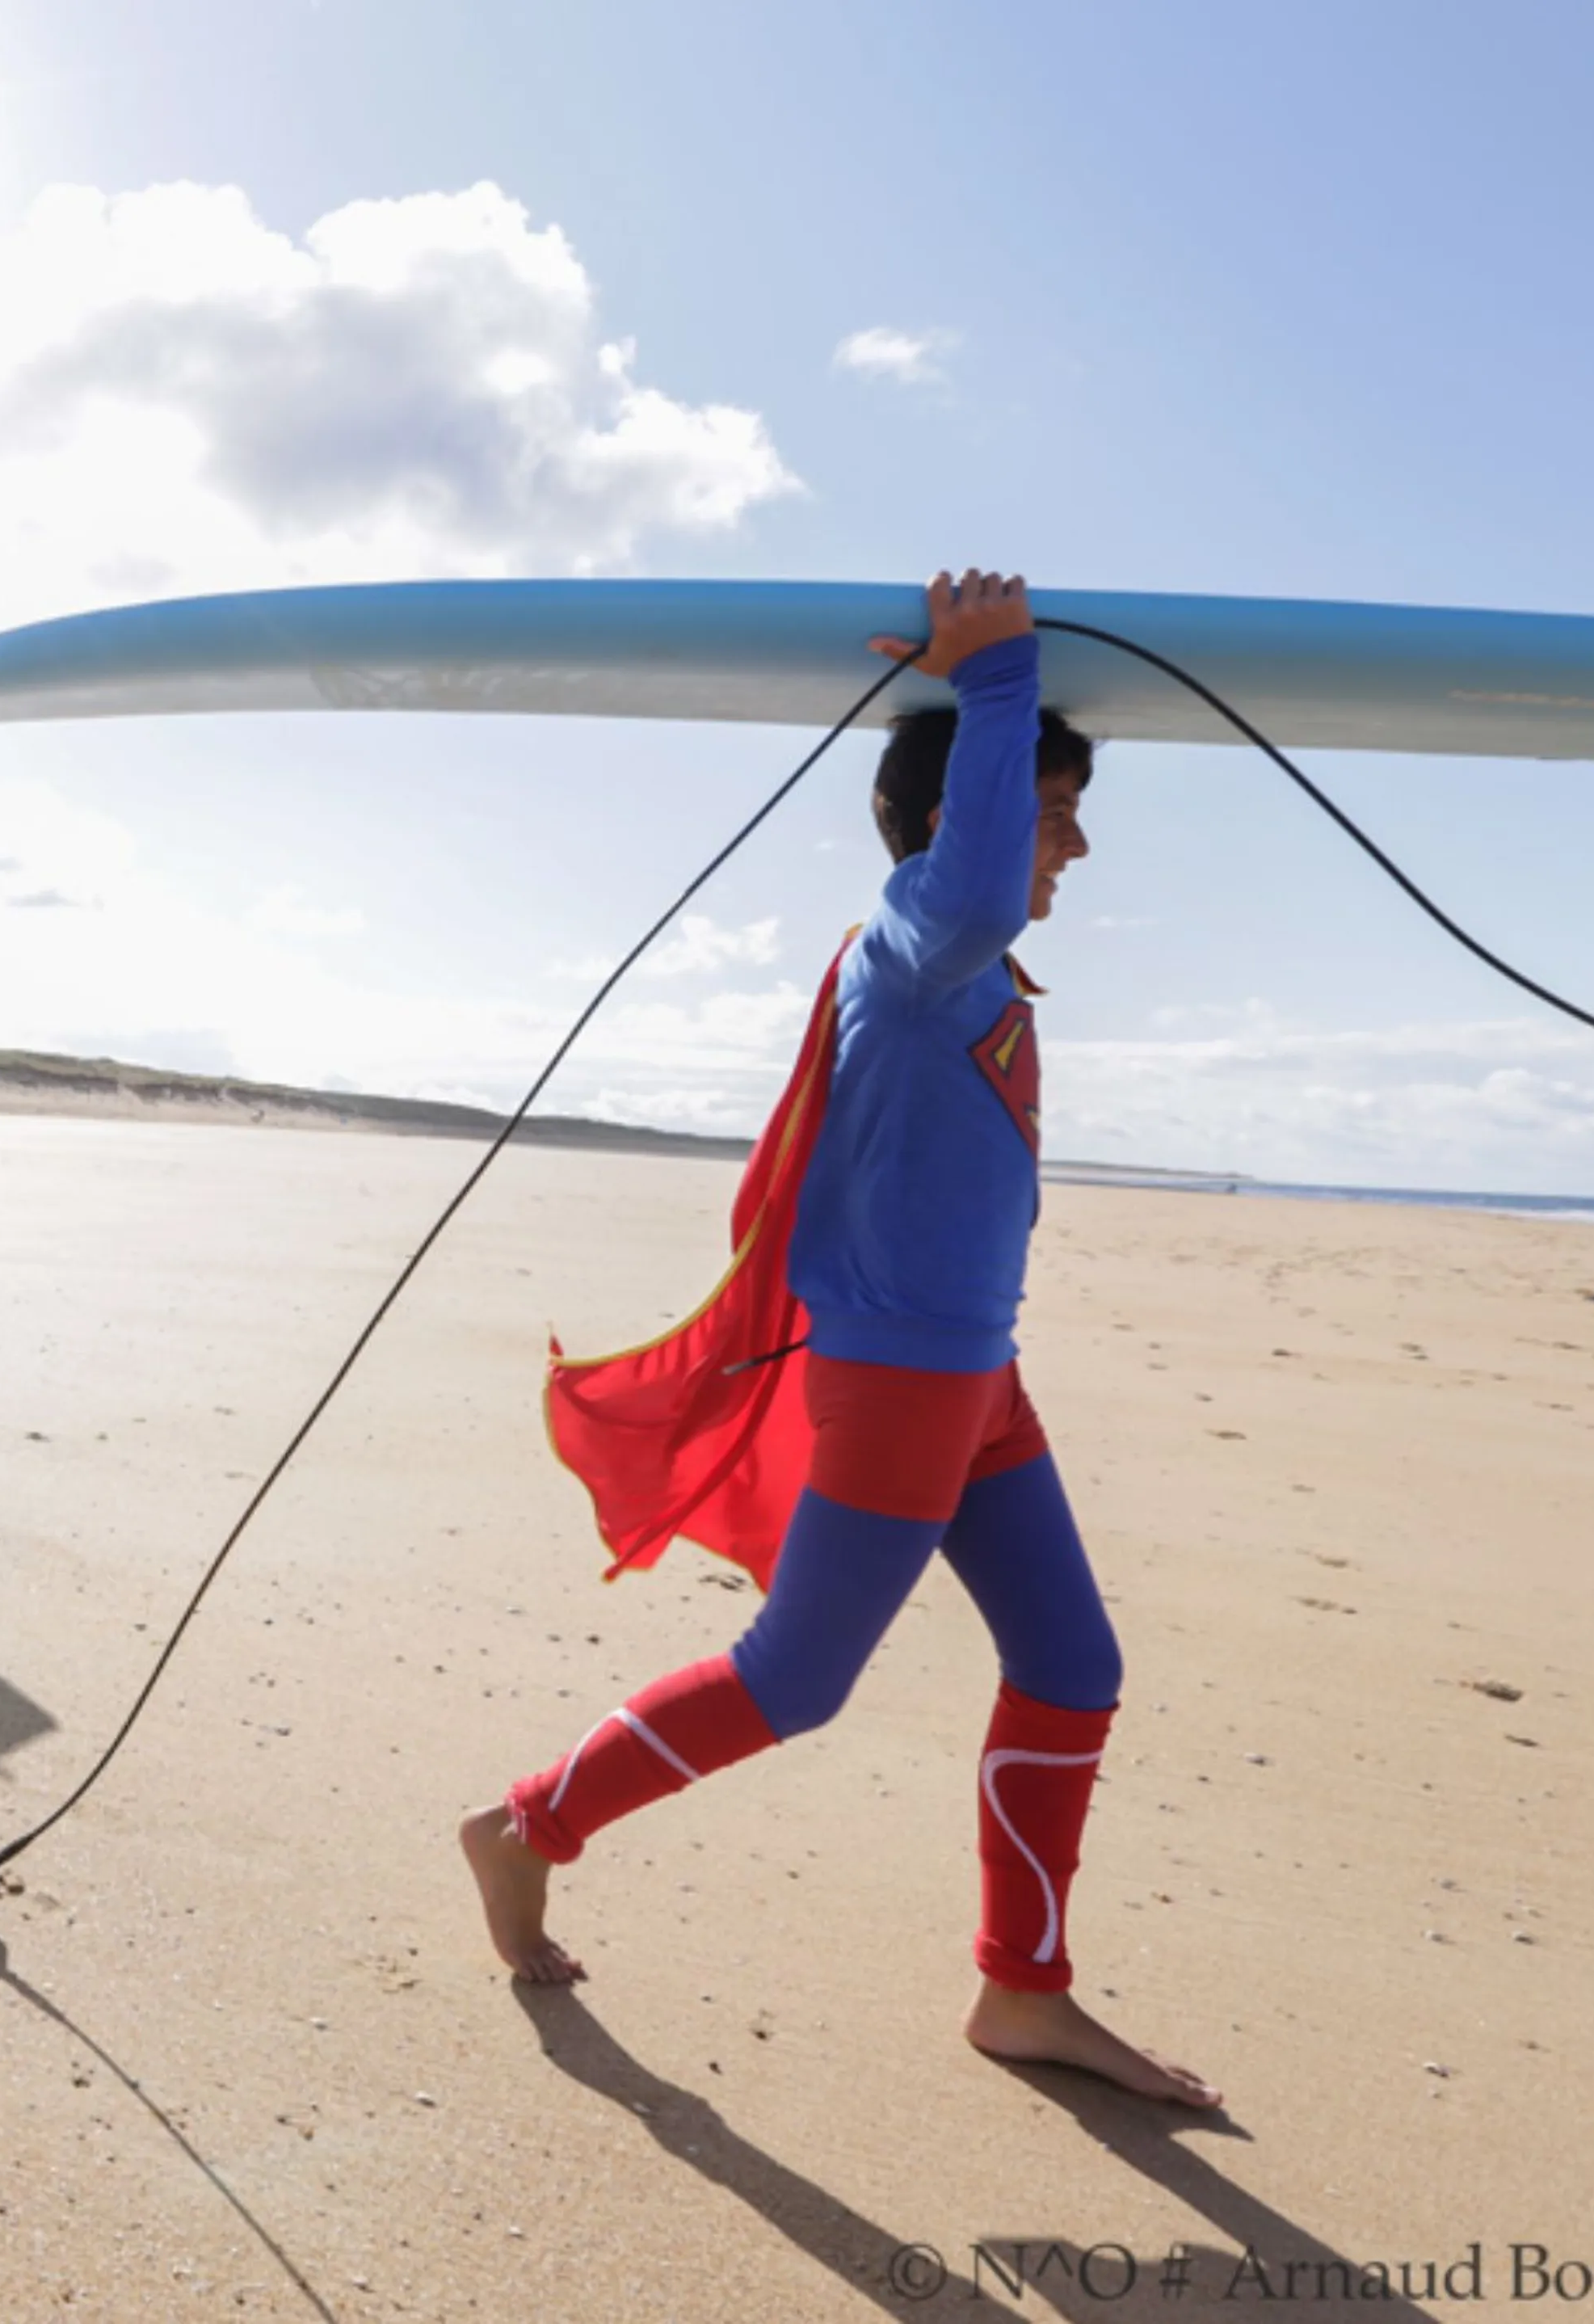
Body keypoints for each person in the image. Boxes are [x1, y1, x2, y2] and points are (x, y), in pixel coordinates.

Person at [460, 570, 1218, 2108]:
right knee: (795, 1679)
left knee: (1072, 1666)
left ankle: (1023, 1992)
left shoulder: (967, 965)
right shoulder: (931, 934)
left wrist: (1004, 705)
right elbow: (987, 864)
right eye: (1056, 808)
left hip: (976, 1375)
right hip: (902, 1381)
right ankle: (524, 1823)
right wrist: (996, 681)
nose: (1073, 840)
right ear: (967, 826)